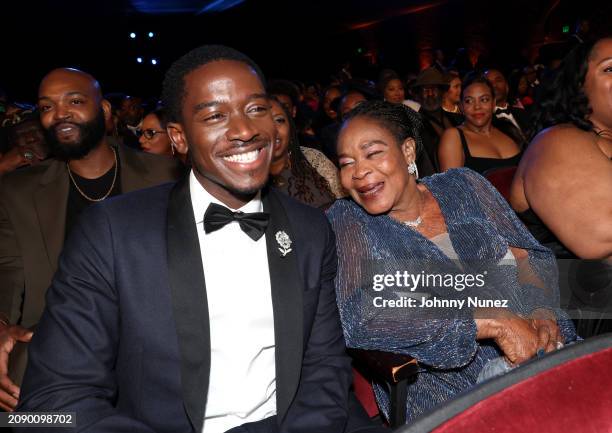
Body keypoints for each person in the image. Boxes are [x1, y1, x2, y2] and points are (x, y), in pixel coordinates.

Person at [18, 45, 384, 433]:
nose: (245, 130)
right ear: (178, 138)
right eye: (214, 115)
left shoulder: (309, 229)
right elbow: (51, 401)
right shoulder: (112, 233)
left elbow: (323, 367)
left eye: (256, 108)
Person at [327, 100, 576, 421]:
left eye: (373, 153)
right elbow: (362, 321)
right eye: (347, 163)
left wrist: (540, 310)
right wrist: (488, 322)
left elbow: (530, 256)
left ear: (407, 151)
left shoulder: (463, 184)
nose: (359, 172)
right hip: (447, 386)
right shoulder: (348, 219)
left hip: (542, 346)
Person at [0, 68, 178, 412]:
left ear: (105, 112)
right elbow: (8, 269)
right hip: (58, 346)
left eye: (75, 101)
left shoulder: (165, 177)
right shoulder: (18, 190)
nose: (60, 113)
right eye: (47, 107)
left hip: (158, 345)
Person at [510, 38, 612, 336]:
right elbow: (600, 235)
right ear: (579, 85)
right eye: (610, 69)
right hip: (582, 312)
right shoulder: (557, 140)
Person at [438, 74, 524, 174]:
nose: (477, 107)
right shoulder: (453, 136)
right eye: (469, 101)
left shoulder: (508, 129)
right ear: (461, 106)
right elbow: (451, 187)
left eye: (484, 100)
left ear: (493, 103)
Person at [269, 97, 342, 208]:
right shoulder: (244, 175)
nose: (272, 128)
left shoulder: (313, 158)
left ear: (289, 125)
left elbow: (344, 206)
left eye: (279, 120)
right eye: (263, 122)